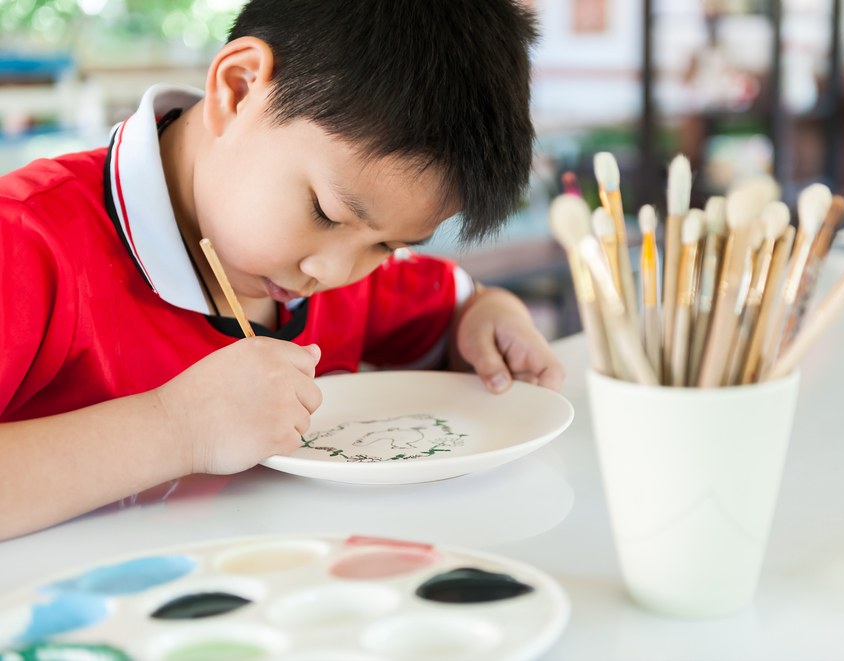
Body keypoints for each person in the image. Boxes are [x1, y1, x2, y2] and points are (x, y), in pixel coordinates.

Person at [0, 0, 564, 540]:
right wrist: (174, 428)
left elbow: (461, 310)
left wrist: (490, 316)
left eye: (388, 245)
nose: (333, 270)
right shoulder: (28, 241)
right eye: (325, 212)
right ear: (240, 89)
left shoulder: (342, 271)